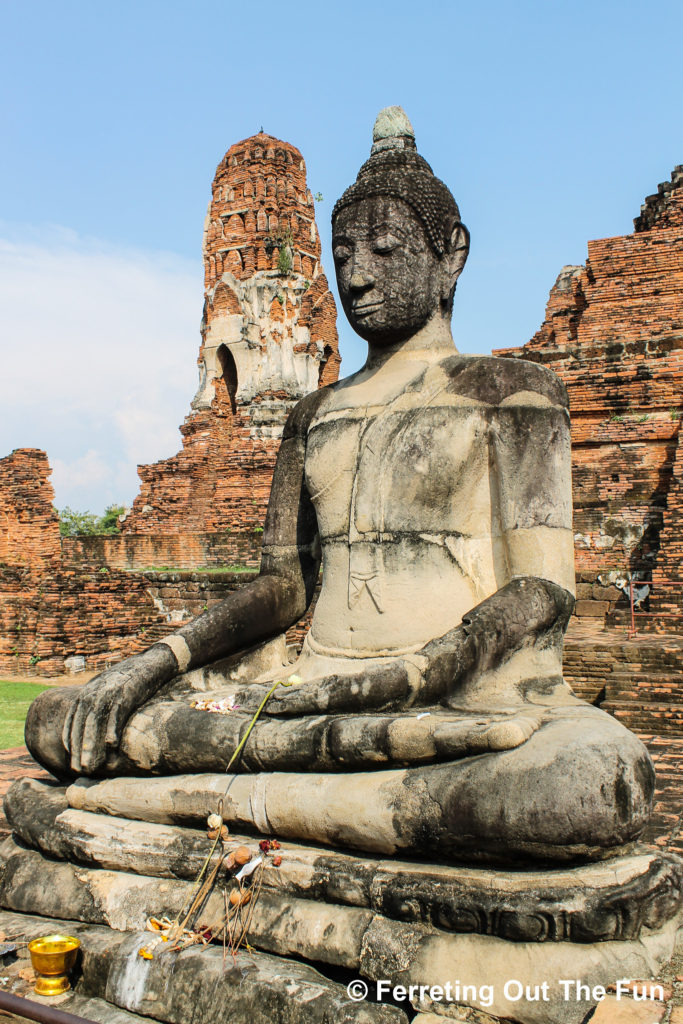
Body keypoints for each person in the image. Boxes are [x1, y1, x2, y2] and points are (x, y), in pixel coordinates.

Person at [25, 108, 653, 864]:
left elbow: (543, 590)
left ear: (450, 255)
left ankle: (185, 808)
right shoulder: (313, 413)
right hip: (309, 693)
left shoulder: (509, 391)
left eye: (385, 249)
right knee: (63, 719)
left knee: (579, 784)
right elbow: (281, 588)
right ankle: (315, 805)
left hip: (450, 700)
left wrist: (410, 674)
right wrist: (152, 663)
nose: (357, 274)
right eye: (343, 252)